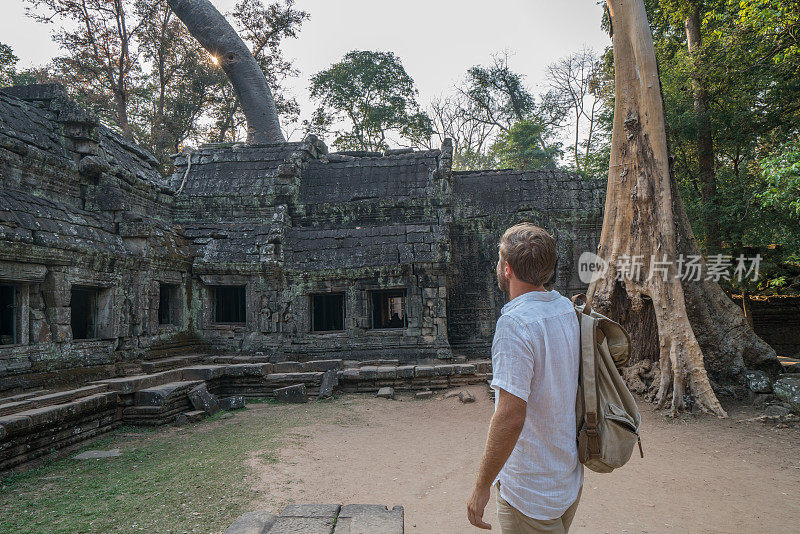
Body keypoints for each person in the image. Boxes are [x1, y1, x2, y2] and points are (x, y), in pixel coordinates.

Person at [467, 223, 582, 533]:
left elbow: (510, 417)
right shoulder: (566, 309)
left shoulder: (515, 324)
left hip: (531, 492)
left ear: (507, 269)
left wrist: (481, 487)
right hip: (566, 478)